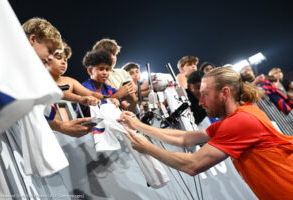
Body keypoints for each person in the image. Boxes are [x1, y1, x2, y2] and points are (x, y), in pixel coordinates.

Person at [119, 66, 293, 200]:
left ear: (225, 93)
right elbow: (187, 138)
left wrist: (147, 148)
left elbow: (193, 165)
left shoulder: (240, 121)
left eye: (205, 95)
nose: (200, 102)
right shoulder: (240, 115)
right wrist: (139, 126)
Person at [23, 17, 95, 137]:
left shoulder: (33, 74)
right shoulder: (9, 66)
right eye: (50, 50)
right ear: (33, 39)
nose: (51, 57)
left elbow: (51, 93)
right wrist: (62, 126)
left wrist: (79, 99)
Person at [92, 38, 137, 111]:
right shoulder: (98, 76)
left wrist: (130, 91)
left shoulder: (122, 72)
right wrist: (121, 93)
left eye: (114, 54)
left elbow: (133, 94)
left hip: (133, 111)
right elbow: (114, 95)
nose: (112, 57)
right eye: (108, 55)